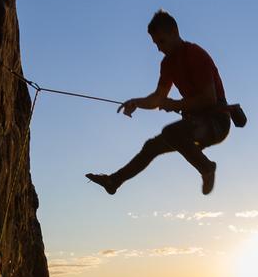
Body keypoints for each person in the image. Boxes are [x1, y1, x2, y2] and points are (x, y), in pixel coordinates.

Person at [86, 11, 231, 196]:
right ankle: (113, 181)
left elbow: (209, 98)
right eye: (155, 44)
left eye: (161, 41)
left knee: (171, 132)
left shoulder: (195, 54)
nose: (159, 48)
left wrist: (176, 105)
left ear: (174, 32)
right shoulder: (167, 64)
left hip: (216, 123)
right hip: (194, 125)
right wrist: (136, 102)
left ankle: (207, 168)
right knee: (151, 146)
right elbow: (157, 98)